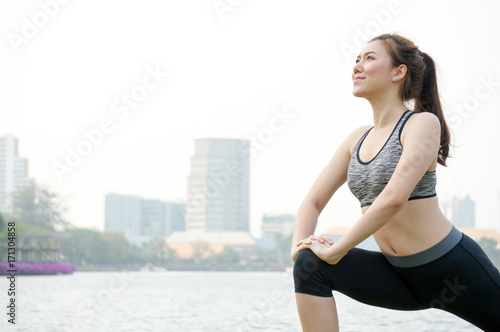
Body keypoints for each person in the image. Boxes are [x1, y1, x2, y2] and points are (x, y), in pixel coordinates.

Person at [290, 33, 500, 332]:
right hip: (398, 276)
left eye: (370, 58)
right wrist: (300, 246)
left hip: (453, 270)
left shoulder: (422, 124)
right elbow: (312, 202)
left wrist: (337, 249)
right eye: (356, 59)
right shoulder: (355, 139)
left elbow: (393, 199)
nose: (358, 66)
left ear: (398, 72)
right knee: (310, 266)